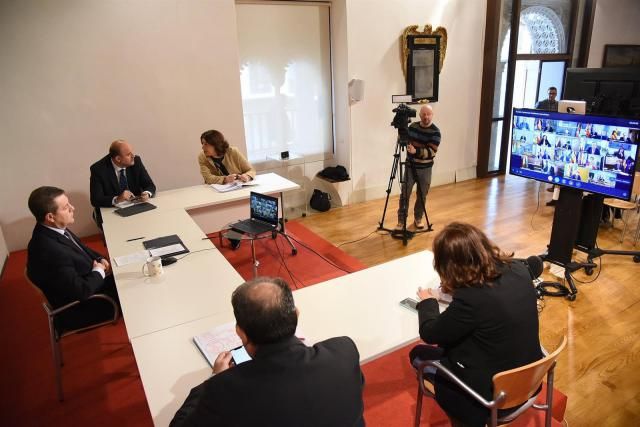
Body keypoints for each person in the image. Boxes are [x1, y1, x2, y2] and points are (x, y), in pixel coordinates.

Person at [170, 277, 365, 427]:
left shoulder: (223, 390)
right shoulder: (344, 351)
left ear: (240, 333)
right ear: (296, 314)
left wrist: (213, 380)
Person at [409, 222, 542, 427]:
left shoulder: (472, 298)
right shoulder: (519, 269)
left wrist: (428, 301)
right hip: (531, 382)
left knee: (418, 354)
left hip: (494, 398)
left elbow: (430, 333)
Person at [27, 186, 119, 330]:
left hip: (90, 283)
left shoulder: (52, 229)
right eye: (66, 207)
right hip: (83, 307)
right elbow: (82, 292)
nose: (73, 208)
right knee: (138, 292)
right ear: (50, 217)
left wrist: (100, 259)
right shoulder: (49, 250)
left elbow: (83, 249)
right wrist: (99, 271)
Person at [90, 139, 156, 226]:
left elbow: (149, 185)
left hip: (136, 208)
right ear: (118, 159)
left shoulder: (136, 161)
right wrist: (117, 199)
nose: (133, 156)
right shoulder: (98, 169)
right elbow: (95, 200)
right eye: (128, 154)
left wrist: (146, 193)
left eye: (132, 152)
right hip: (112, 212)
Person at [396, 104, 441, 231]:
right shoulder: (412, 127)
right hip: (410, 166)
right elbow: (403, 140)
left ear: (432, 115)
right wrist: (402, 138)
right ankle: (401, 220)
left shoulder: (436, 132)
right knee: (405, 193)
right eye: (424, 114)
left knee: (422, 195)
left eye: (429, 114)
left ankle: (418, 218)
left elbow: (431, 152)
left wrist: (415, 151)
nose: (426, 117)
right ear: (420, 115)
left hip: (425, 169)